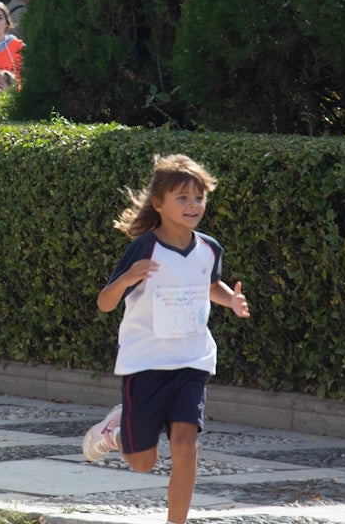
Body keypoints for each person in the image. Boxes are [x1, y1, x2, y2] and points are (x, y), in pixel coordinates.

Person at [82, 154, 250, 524]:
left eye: (199, 198)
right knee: (143, 462)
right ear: (159, 204)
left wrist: (231, 300)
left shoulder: (209, 248)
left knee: (186, 445)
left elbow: (209, 286)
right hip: (146, 363)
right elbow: (105, 302)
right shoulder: (144, 248)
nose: (193, 206)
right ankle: (116, 429)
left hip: (192, 360)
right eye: (183, 198)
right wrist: (127, 279)